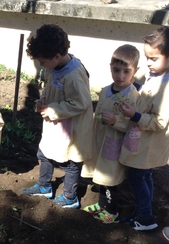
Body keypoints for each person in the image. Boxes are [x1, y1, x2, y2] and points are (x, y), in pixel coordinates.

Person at [21, 24, 94, 209]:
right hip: (56, 125)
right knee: (44, 153)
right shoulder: (52, 67)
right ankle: (45, 187)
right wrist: (44, 99)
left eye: (43, 62)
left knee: (70, 162)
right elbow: (49, 86)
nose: (41, 66)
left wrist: (53, 110)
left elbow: (81, 103)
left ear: (57, 56)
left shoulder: (74, 76)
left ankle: (70, 196)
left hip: (72, 129)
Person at [116, 26, 169, 231]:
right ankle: (143, 212)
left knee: (137, 177)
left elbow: (160, 121)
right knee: (144, 177)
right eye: (147, 57)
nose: (148, 62)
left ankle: (146, 217)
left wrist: (135, 115)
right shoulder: (156, 76)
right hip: (144, 142)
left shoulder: (166, 87)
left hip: (149, 145)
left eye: (154, 58)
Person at [81, 44, 141, 224]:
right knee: (100, 175)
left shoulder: (132, 96)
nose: (120, 76)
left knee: (110, 177)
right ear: (110, 68)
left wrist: (116, 121)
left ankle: (112, 211)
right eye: (116, 70)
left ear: (135, 71)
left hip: (115, 143)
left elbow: (133, 125)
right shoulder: (106, 90)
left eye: (126, 71)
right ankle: (101, 205)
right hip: (100, 139)